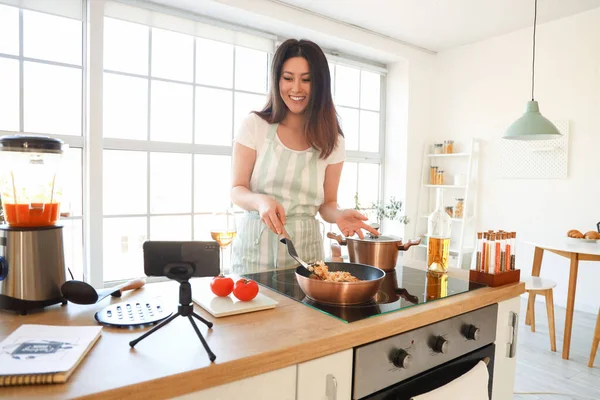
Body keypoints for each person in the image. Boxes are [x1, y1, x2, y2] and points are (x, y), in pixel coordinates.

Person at [230, 39, 378, 273]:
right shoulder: (254, 126)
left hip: (306, 257)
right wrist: (261, 202)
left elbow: (327, 204)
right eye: (288, 78)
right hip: (253, 256)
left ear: (319, 84)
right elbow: (237, 189)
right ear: (277, 80)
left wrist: (338, 214)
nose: (296, 88)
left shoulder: (333, 140)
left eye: (306, 79)